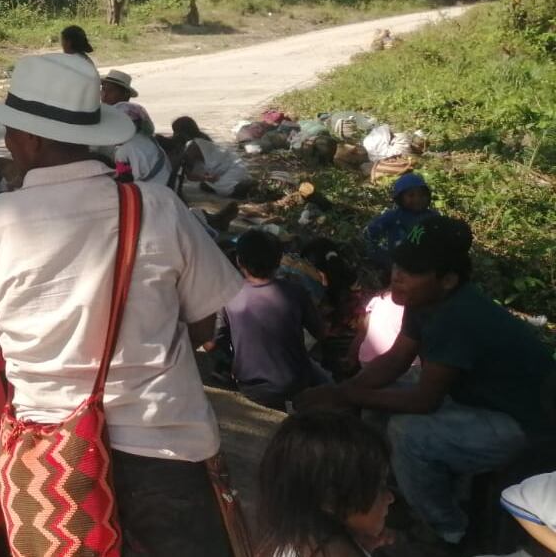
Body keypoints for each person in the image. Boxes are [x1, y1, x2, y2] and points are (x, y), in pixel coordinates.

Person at [0, 53, 243, 556]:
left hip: (55, 457)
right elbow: (204, 316)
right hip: (168, 444)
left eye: (12, 132)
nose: (8, 143)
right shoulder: (156, 205)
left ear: (32, 140)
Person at [298, 215, 555, 547]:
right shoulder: (423, 301)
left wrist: (344, 395)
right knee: (376, 399)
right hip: (475, 398)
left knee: (407, 434)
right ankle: (386, 490)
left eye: (412, 271)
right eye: (398, 265)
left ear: (447, 280)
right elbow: (395, 359)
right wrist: (346, 391)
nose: (397, 277)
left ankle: (446, 529)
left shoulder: (457, 316)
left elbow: (424, 401)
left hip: (522, 423)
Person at [211, 230, 328, 410]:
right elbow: (321, 333)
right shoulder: (295, 292)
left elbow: (213, 342)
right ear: (279, 260)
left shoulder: (228, 295)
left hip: (252, 388)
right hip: (298, 384)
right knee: (326, 379)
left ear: (238, 261)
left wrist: (232, 362)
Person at [255, 411, 395, 557]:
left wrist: (365, 548)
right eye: (380, 486)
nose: (390, 497)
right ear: (330, 500)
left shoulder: (294, 538)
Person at [364, 173, 438, 271]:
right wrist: (379, 254)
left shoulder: (433, 216)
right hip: (395, 264)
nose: (417, 199)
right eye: (411, 195)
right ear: (400, 198)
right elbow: (369, 234)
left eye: (422, 195)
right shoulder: (393, 216)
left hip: (424, 265)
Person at [173, 116, 253, 198]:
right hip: (236, 166)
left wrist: (205, 178)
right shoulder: (202, 138)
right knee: (206, 186)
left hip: (232, 170)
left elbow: (189, 175)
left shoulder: (192, 147)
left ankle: (245, 189)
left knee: (223, 189)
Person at [99, 69, 154, 136]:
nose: (104, 94)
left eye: (111, 90)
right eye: (103, 89)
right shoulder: (104, 111)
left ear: (125, 94)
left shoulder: (128, 110)